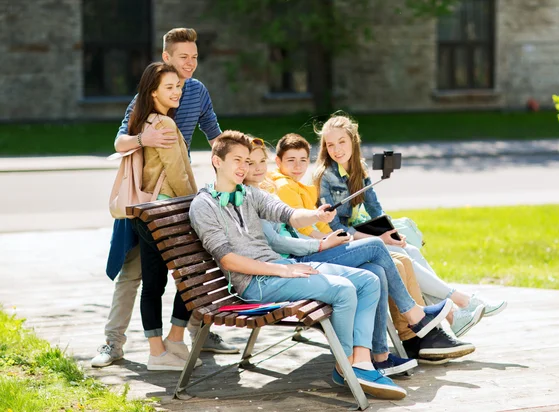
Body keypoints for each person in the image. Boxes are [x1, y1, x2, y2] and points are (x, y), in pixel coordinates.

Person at [190, 131, 456, 399]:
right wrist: (283, 269)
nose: (244, 168)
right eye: (238, 160)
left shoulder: (248, 194)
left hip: (281, 269)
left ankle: (361, 363)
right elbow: (227, 259)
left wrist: (316, 215)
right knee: (343, 289)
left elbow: (289, 215)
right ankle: (347, 366)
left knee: (368, 280)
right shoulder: (203, 205)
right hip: (255, 283)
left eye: (247, 161)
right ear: (216, 161)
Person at [252, 137, 476, 364]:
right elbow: (284, 240)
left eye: (262, 161)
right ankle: (417, 322)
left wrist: (330, 237)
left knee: (383, 268)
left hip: (311, 251)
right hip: (300, 260)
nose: (258, 167)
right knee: (380, 249)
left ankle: (382, 354)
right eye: (251, 163)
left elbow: (309, 225)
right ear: (278, 161)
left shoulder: (272, 191)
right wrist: (322, 242)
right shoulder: (281, 189)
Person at [93, 28, 235, 369]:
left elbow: (214, 134)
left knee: (193, 266)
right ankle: (113, 343)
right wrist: (146, 137)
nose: (190, 63)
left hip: (179, 187)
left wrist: (241, 158)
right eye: (183, 57)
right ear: (167, 58)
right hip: (150, 195)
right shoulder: (148, 95)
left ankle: (200, 334)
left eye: (195, 57)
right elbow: (119, 143)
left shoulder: (197, 91)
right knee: (135, 272)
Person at [313, 113, 508, 341]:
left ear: (353, 141)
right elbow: (336, 228)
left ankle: (455, 315)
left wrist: (391, 232)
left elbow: (375, 207)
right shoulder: (325, 176)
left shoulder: (358, 169)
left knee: (410, 250)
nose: (336, 149)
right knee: (402, 257)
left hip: (360, 234)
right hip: (339, 243)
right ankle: (462, 302)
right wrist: (382, 239)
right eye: (330, 145)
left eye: (341, 142)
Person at [123, 62, 197, 370]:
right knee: (191, 278)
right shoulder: (163, 125)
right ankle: (168, 345)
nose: (177, 91)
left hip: (149, 215)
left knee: (154, 282)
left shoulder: (148, 121)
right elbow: (178, 173)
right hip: (168, 214)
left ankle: (163, 349)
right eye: (169, 87)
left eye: (178, 86)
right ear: (153, 92)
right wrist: (198, 202)